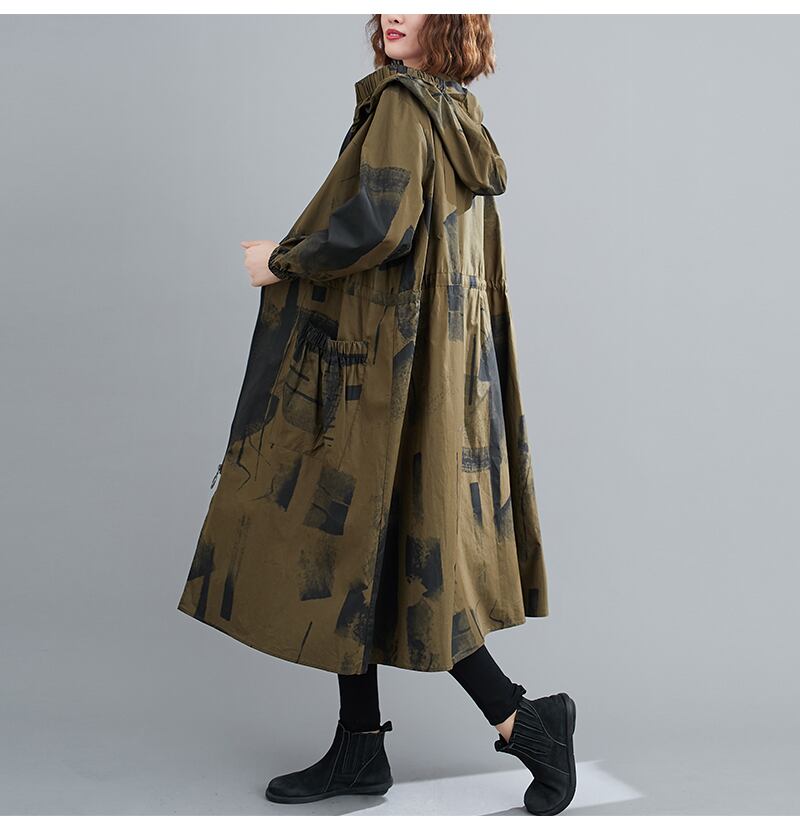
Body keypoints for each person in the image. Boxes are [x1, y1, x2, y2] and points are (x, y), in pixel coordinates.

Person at [177, 13, 576, 816]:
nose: (394, 11)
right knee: (370, 549)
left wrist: (280, 260)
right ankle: (362, 745)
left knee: (377, 547)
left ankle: (525, 721)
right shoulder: (460, 114)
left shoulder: (401, 103)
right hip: (431, 374)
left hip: (378, 371)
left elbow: (380, 225)